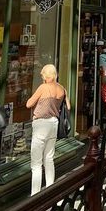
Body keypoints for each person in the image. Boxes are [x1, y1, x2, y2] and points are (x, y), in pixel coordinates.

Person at [26, 64, 70, 196]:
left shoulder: (43, 87)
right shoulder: (62, 88)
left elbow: (29, 104)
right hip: (54, 123)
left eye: (42, 75)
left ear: (46, 75)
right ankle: (50, 189)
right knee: (49, 158)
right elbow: (68, 106)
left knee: (36, 163)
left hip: (41, 124)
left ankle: (35, 194)